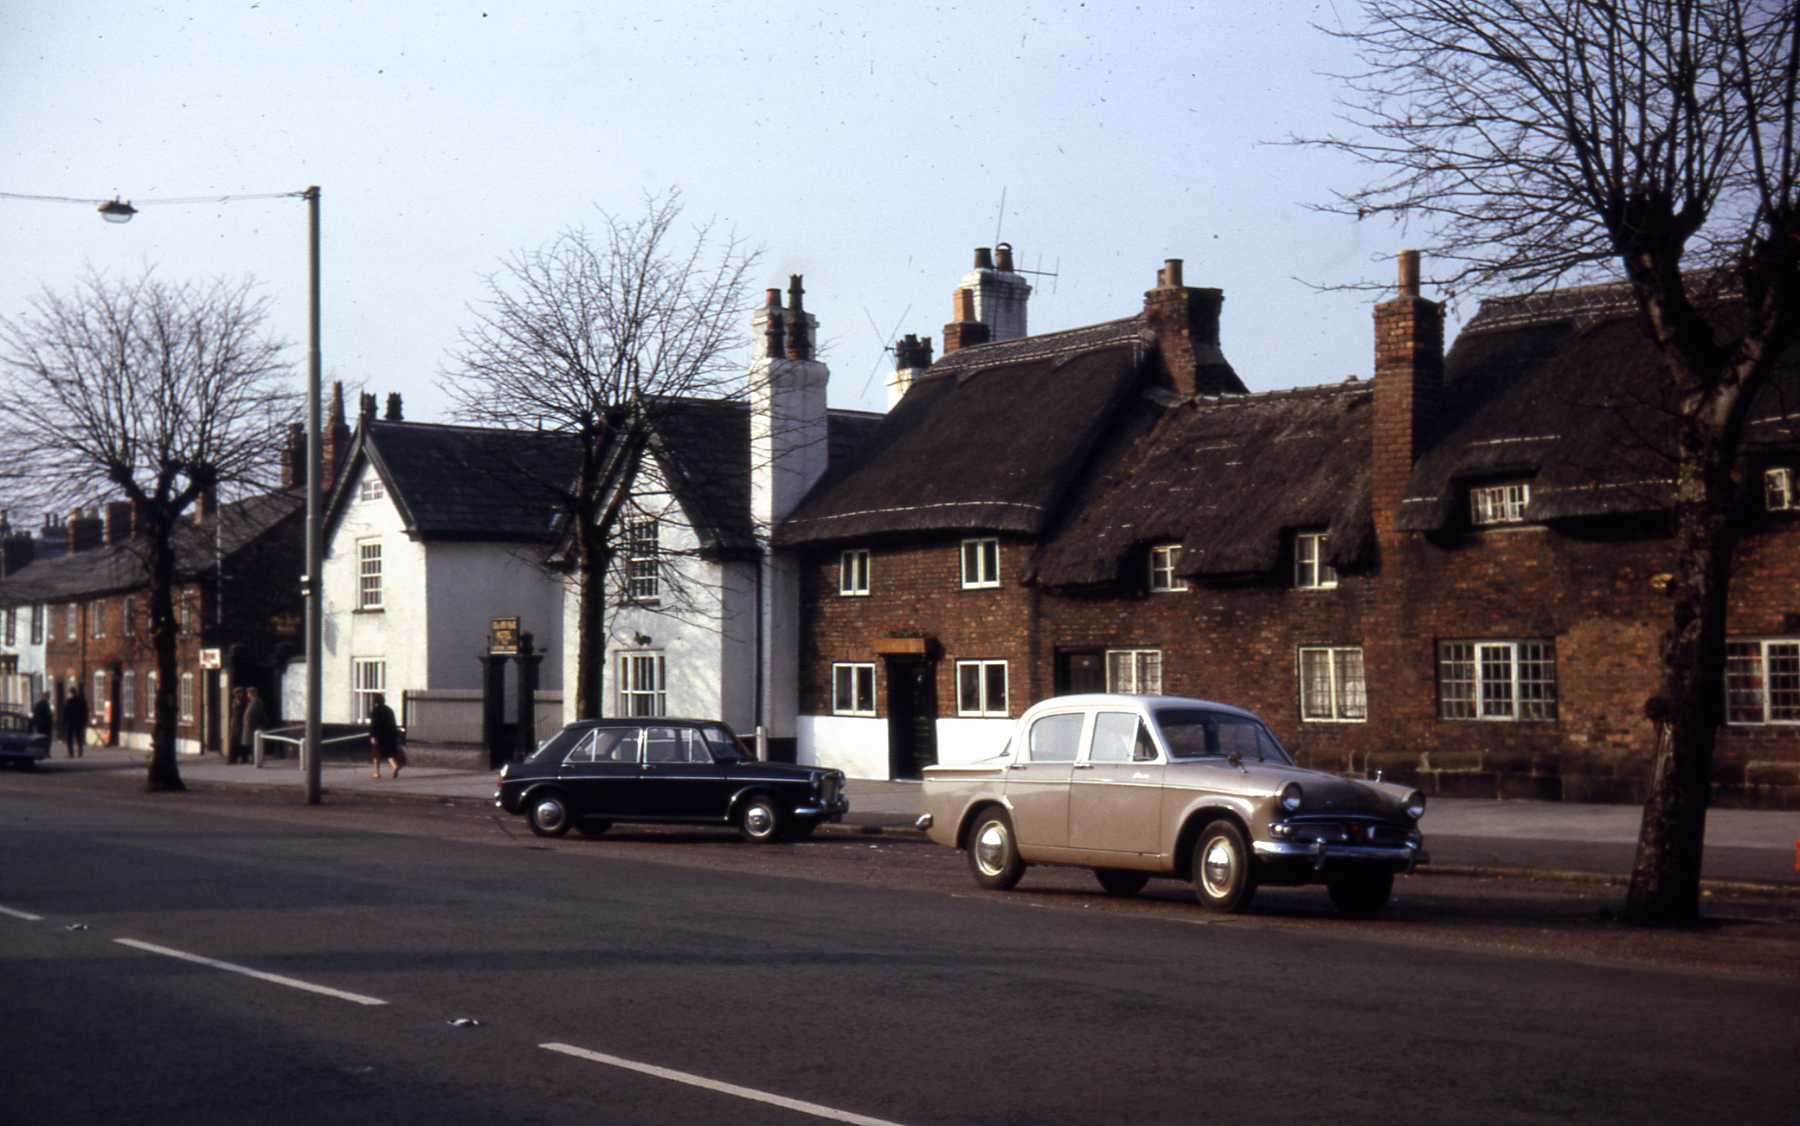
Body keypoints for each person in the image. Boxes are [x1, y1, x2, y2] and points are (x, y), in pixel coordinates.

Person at [368, 692, 403, 779]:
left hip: (379, 735)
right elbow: (393, 723)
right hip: (390, 735)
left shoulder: (375, 711)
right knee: (388, 753)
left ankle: (377, 773)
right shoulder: (389, 710)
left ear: (375, 701)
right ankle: (394, 766)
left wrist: (372, 736)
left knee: (376, 754)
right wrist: (396, 735)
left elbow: (373, 725)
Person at [240, 686, 269, 765]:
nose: (248, 695)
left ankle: (255, 759)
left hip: (254, 727)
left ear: (252, 693)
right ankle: (253, 759)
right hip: (250, 727)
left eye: (249, 693)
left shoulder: (257, 702)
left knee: (254, 744)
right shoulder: (252, 702)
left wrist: (259, 725)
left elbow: (260, 714)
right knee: (251, 744)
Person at [62, 685, 89, 758]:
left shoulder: (69, 701)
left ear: (71, 693)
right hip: (79, 722)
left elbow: (65, 712)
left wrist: (64, 722)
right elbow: (86, 711)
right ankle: (80, 752)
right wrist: (85, 720)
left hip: (71, 722)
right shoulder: (81, 700)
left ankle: (71, 753)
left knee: (69, 738)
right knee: (79, 737)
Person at [226, 688, 247, 764]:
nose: (239, 695)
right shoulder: (234, 701)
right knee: (234, 741)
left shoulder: (244, 702)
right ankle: (232, 758)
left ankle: (243, 758)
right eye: (237, 693)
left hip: (241, 723)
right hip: (235, 723)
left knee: (241, 741)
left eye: (239, 693)